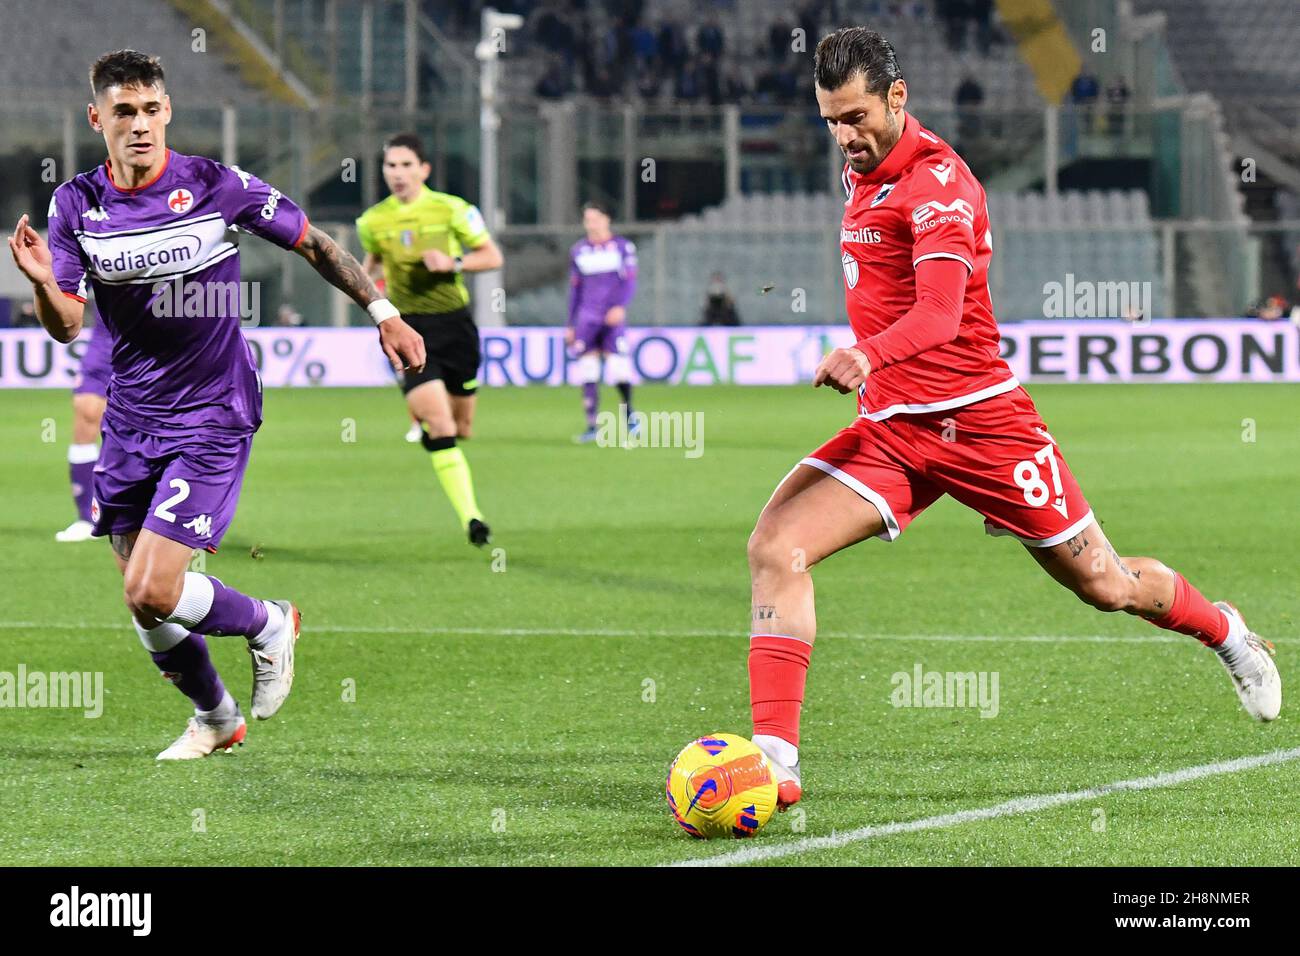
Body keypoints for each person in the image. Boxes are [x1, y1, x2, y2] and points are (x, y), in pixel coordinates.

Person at [744, 28, 1281, 809]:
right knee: (775, 545)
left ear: (898, 98)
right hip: (895, 429)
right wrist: (880, 375)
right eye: (830, 119)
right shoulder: (862, 168)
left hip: (982, 425)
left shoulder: (937, 186)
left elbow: (938, 314)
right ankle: (775, 765)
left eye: (855, 117)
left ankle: (1227, 633)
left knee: (1106, 583)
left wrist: (868, 355)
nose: (843, 136)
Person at [7, 50, 425, 760]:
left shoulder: (212, 184)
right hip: (131, 415)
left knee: (155, 586)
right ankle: (216, 716)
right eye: (123, 113)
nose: (139, 126)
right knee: (140, 596)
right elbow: (69, 323)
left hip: (213, 410)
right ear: (96, 119)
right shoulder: (76, 203)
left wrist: (383, 310)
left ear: (167, 110)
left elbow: (315, 245)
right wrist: (45, 283)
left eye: (150, 110)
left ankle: (267, 622)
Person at [356, 133, 502, 547]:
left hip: (456, 328)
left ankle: (432, 429)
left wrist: (453, 262)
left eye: (405, 165)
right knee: (440, 426)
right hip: (409, 329)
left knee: (461, 427)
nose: (397, 174)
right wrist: (371, 297)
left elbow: (492, 256)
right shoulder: (373, 222)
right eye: (390, 166)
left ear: (424, 170)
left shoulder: (453, 210)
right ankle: (472, 519)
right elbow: (371, 265)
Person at [566, 201, 638, 443]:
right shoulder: (578, 251)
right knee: (588, 369)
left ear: (607, 219)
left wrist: (620, 306)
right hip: (587, 318)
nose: (591, 224)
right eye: (587, 219)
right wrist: (570, 324)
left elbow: (629, 281)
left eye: (595, 218)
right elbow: (575, 291)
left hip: (611, 317)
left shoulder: (622, 247)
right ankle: (592, 425)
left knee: (618, 369)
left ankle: (629, 414)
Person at [56, 308, 111, 542]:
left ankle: (164, 519)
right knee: (86, 411)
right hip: (107, 337)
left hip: (160, 339)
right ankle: (87, 518)